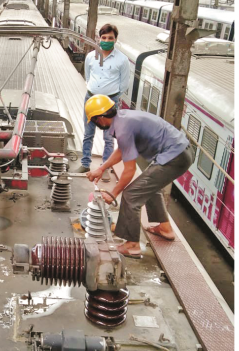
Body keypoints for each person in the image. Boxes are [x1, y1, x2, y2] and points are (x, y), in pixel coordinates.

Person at [84, 95, 194, 258]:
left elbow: (129, 170)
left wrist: (113, 193)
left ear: (100, 118)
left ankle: (132, 245)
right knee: (148, 186)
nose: (95, 124)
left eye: (93, 120)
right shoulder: (122, 119)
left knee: (131, 195)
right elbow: (122, 150)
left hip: (174, 156)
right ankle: (165, 228)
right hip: (181, 152)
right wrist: (102, 168)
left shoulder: (122, 128)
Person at [76, 23, 130, 183]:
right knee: (88, 133)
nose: (106, 40)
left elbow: (124, 84)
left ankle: (105, 168)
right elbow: (87, 76)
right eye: (104, 37)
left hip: (110, 103)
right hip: (91, 99)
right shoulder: (91, 56)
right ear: (99, 38)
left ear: (115, 40)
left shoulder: (122, 60)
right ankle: (85, 164)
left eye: (110, 38)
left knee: (108, 137)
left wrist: (109, 97)